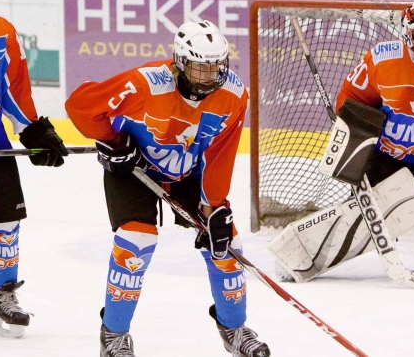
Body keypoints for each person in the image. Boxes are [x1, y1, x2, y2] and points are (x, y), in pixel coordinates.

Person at [65, 19, 271, 357]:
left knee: (225, 241)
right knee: (136, 239)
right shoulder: (145, 83)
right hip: (134, 170)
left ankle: (234, 329)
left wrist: (213, 207)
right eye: (200, 68)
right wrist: (113, 141)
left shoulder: (234, 95)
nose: (210, 76)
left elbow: (220, 153)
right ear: (179, 62)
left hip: (188, 172)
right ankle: (114, 336)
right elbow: (80, 105)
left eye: (217, 67)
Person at [0, 12, 68, 338]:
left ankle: (2, 291)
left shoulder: (1, 32)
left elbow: (13, 91)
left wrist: (35, 132)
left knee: (7, 221)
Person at [336, 1, 414, 187]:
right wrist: (350, 127)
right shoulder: (383, 58)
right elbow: (351, 97)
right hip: (388, 157)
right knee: (389, 214)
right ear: (409, 35)